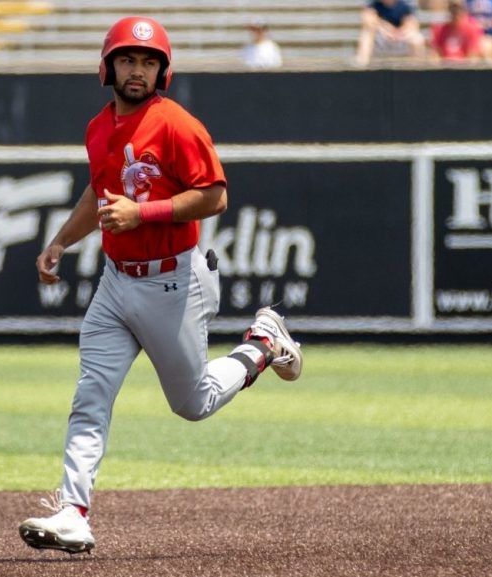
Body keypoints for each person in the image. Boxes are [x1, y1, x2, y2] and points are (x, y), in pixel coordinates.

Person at [17, 16, 303, 555]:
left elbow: (215, 196)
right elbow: (98, 195)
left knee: (192, 403)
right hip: (114, 284)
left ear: (162, 71)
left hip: (174, 281)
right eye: (128, 59)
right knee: (90, 395)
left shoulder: (175, 123)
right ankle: (75, 512)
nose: (137, 69)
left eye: (149, 61)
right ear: (108, 65)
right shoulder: (98, 127)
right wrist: (60, 242)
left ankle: (261, 345)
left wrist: (144, 213)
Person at [354, 0, 427, 66]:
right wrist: (386, 29)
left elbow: (412, 25)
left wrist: (398, 33)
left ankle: (416, 69)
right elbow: (368, 20)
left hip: (401, 38)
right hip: (381, 39)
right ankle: (362, 66)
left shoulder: (405, 6)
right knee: (366, 35)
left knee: (417, 39)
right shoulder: (373, 5)